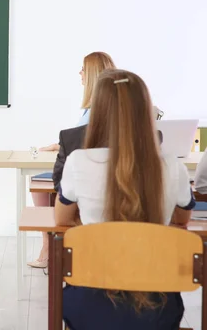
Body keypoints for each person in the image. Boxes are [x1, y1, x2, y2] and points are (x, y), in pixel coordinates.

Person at [55, 69, 194, 329]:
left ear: (98, 112)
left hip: (89, 302)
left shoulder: (79, 162)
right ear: (145, 112)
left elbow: (61, 219)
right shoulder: (171, 166)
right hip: (158, 307)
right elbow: (183, 218)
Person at [28, 51, 116, 268]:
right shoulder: (112, 110)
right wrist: (60, 145)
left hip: (89, 178)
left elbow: (86, 144)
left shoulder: (94, 111)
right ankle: (49, 246)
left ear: (93, 74)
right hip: (106, 177)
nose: (80, 73)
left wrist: (63, 146)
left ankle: (49, 246)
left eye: (83, 69)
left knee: (40, 183)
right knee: (40, 183)